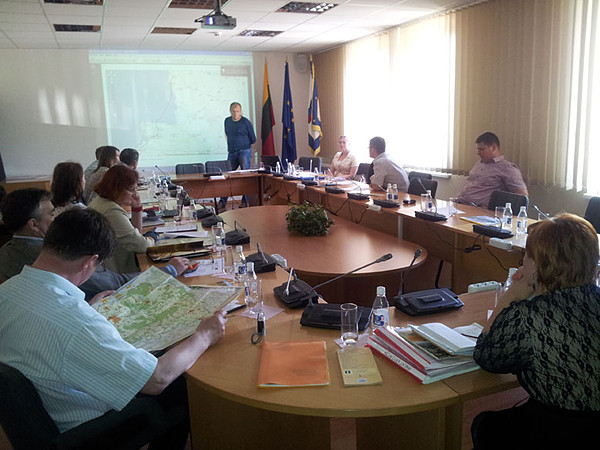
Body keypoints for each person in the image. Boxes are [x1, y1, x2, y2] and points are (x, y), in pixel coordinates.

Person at [0, 208, 226, 448]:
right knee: (181, 385)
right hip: (86, 428)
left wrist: (89, 308)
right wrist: (205, 335)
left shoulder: (8, 291)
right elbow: (157, 379)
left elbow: (52, 327)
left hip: (44, 409)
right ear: (90, 262)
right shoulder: (77, 323)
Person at [472, 213, 600, 449]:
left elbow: (486, 357)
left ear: (538, 266)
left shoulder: (529, 316)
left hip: (553, 435)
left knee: (485, 425)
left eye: (526, 256)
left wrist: (510, 297)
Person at [0, 188, 187, 300]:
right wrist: (168, 270)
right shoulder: (51, 255)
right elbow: (114, 283)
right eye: (51, 214)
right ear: (33, 225)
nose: (56, 217)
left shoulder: (6, 250)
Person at [88, 164, 163, 273]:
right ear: (117, 189)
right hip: (119, 271)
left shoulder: (101, 202)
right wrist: (152, 237)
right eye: (131, 190)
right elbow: (142, 246)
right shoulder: (111, 211)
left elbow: (135, 232)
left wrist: (137, 208)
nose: (135, 194)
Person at [457, 132, 528, 208]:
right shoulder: (478, 164)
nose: (478, 153)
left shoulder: (507, 168)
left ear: (493, 148)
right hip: (460, 203)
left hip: (479, 209)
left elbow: (522, 196)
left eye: (482, 149)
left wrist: (494, 207)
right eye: (478, 149)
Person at [220, 102, 256, 209]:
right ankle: (222, 202)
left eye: (237, 111)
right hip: (232, 152)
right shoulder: (227, 121)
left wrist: (243, 145)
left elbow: (253, 138)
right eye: (233, 111)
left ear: (241, 112)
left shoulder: (246, 122)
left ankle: (245, 202)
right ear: (230, 111)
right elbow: (228, 134)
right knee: (227, 176)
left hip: (244, 151)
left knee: (245, 176)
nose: (235, 114)